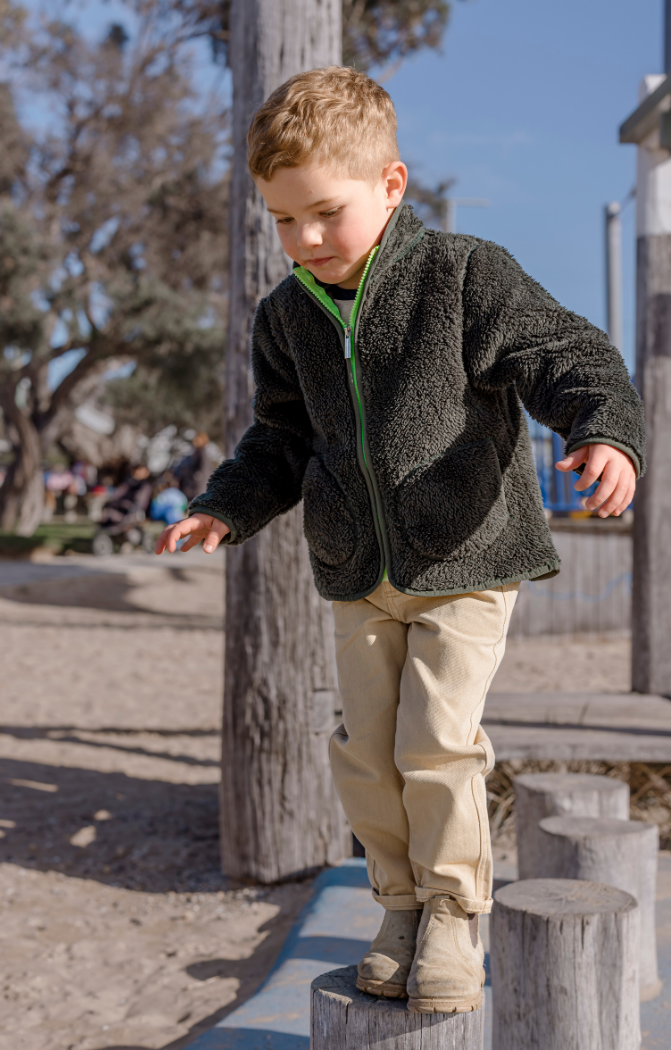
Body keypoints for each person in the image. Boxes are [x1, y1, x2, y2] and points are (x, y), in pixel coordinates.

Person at [155, 67, 645, 1014]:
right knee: (366, 750)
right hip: (355, 571)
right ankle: (400, 908)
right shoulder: (286, 314)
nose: (303, 242)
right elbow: (282, 438)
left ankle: (456, 914)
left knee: (435, 740)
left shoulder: (464, 276)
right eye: (281, 221)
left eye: (323, 214)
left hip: (465, 560)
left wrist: (602, 430)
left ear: (391, 184)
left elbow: (570, 356)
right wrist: (227, 504)